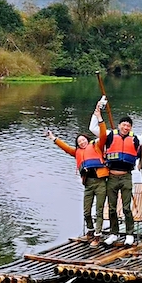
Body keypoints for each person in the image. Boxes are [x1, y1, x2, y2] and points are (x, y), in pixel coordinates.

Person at [47, 101, 108, 247]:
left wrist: (100, 118)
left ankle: (98, 236)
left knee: (99, 210)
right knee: (87, 212)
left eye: (83, 140)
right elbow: (66, 148)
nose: (82, 143)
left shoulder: (97, 146)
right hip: (88, 184)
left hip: (100, 182)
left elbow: (104, 135)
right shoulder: (77, 153)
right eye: (79, 141)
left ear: (88, 140)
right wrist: (53, 138)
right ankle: (91, 230)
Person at [90, 114, 142, 246]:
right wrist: (96, 114)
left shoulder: (135, 138)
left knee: (126, 207)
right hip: (112, 177)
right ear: (119, 125)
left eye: (128, 126)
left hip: (126, 176)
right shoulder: (109, 135)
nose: (126, 127)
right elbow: (93, 128)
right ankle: (114, 233)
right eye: (123, 125)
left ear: (130, 128)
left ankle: (129, 233)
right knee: (112, 208)